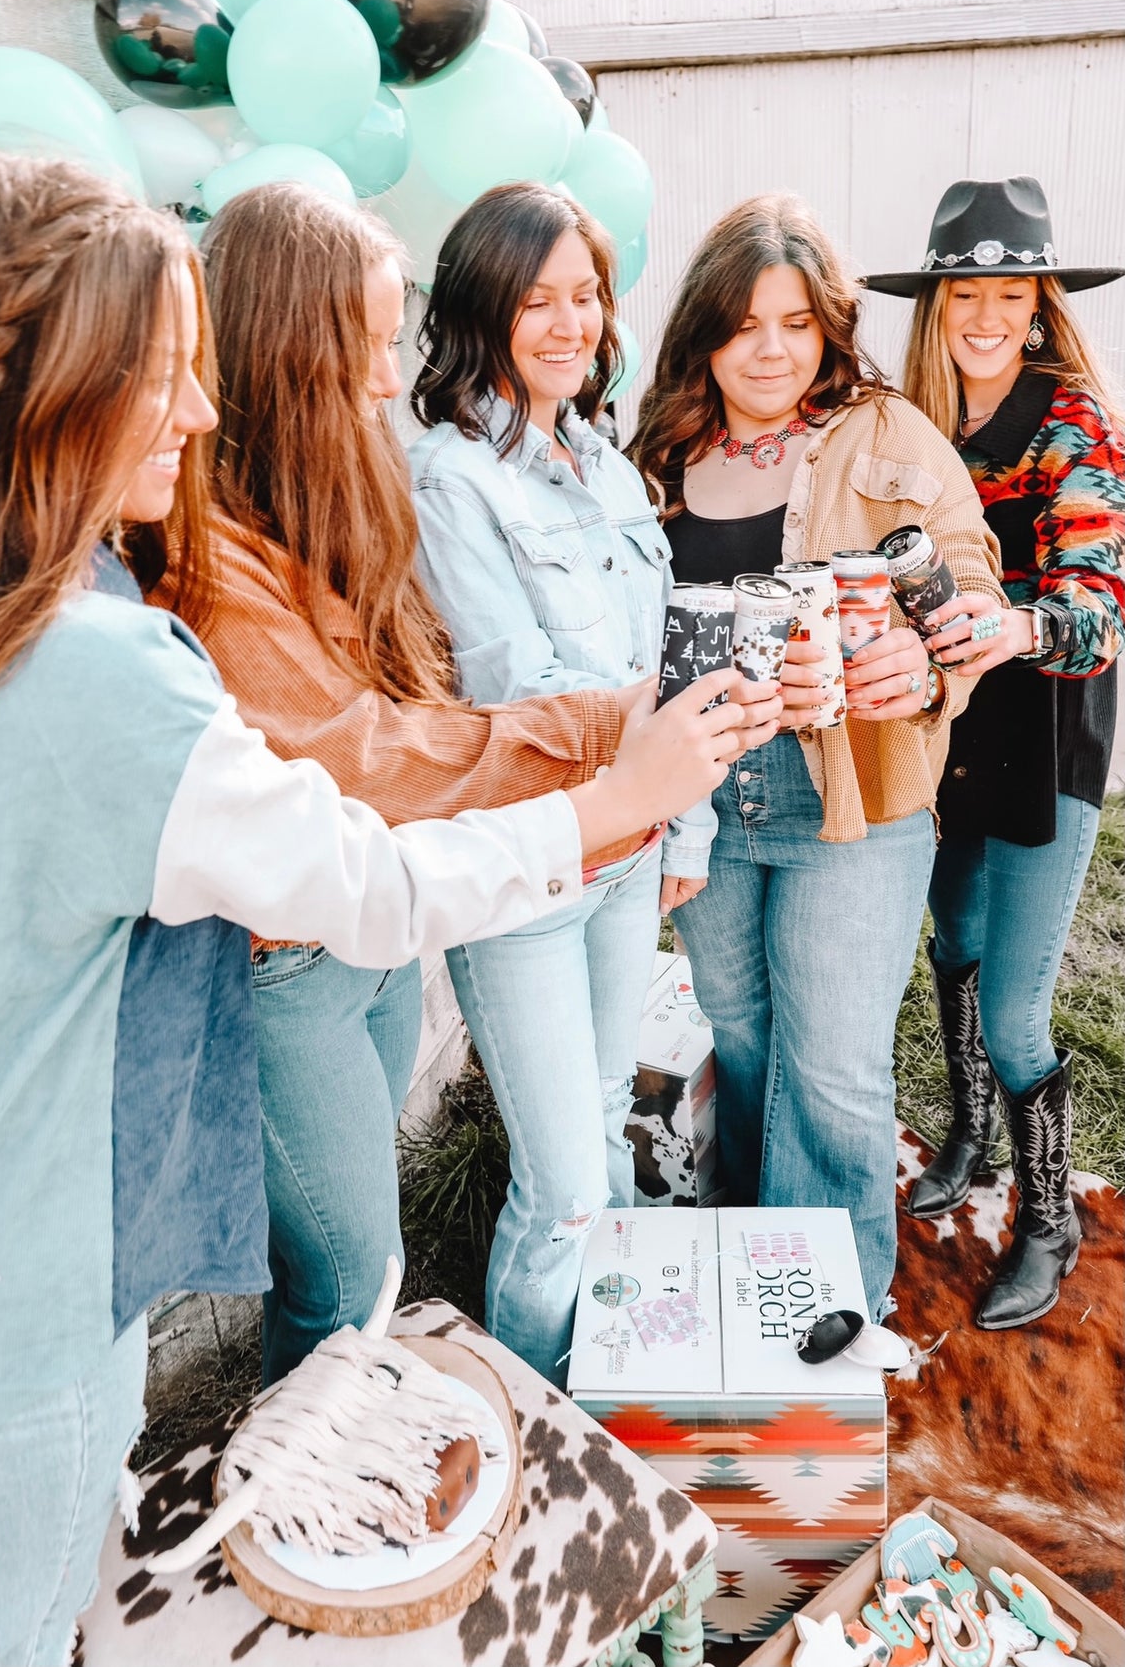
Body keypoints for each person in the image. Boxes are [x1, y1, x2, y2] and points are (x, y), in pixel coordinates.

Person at [0, 147, 765, 1667]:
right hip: (15, 1319)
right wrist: (611, 795)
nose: (196, 407)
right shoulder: (104, 661)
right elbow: (370, 869)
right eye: (164, 373)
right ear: (63, 384)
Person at [159, 182, 781, 1385]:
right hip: (327, 941)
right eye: (365, 347)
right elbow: (379, 744)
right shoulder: (273, 534)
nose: (388, 378)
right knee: (359, 1274)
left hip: (408, 921)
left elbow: (458, 693)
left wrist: (666, 769)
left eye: (586, 294)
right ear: (290, 347)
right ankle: (340, 1495)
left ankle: (524, 1411)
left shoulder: (382, 488)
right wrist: (622, 733)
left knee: (499, 1186)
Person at [409, 182, 766, 1381]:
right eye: (536, 300)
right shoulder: (452, 478)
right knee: (561, 1186)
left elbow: (674, 654)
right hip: (528, 860)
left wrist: (684, 821)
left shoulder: (604, 461)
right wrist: (661, 755)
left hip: (629, 853)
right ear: (479, 311)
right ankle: (533, 1422)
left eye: (587, 296)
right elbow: (526, 694)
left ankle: (612, 1396)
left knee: (608, 1122)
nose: (570, 323)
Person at [628, 192, 1005, 1320]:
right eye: (746, 324)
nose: (772, 349)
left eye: (796, 322)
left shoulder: (887, 433)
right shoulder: (657, 450)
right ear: (705, 332)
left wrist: (935, 666)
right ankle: (757, 1259)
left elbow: (972, 579)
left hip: (855, 793)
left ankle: (828, 1310)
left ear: (829, 328)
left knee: (835, 1066)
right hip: (706, 790)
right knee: (744, 1038)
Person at [867, 175, 1125, 1328]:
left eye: (1009, 291)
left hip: (1048, 730)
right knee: (954, 940)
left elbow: (1102, 605)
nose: (985, 314)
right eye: (964, 291)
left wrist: (1017, 622)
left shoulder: (1072, 423)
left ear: (1037, 305)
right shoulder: (912, 421)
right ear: (936, 306)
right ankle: (969, 1130)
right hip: (946, 728)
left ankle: (1048, 1218)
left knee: (1018, 1010)